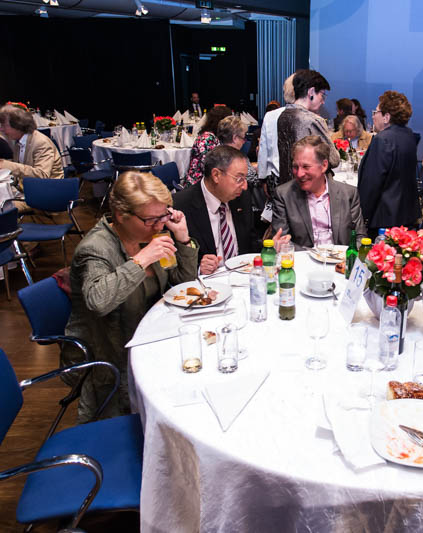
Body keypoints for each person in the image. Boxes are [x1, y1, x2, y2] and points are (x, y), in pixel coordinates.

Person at [63, 171, 199, 422]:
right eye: (151, 219)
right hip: (113, 357)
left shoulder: (150, 234)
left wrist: (183, 239)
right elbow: (98, 302)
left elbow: (183, 285)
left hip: (151, 339)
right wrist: (142, 259)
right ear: (120, 215)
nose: (159, 226)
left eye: (163, 216)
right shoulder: (95, 249)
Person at [173, 145, 271, 274]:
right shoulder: (181, 206)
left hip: (241, 276)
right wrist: (198, 268)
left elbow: (249, 242)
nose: (245, 186)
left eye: (245, 178)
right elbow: (173, 267)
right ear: (216, 175)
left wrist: (268, 247)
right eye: (239, 179)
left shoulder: (241, 197)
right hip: (206, 281)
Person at [272, 135, 366, 248]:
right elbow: (283, 241)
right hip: (303, 258)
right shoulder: (284, 195)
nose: (299, 174)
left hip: (341, 258)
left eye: (306, 167)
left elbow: (360, 238)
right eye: (295, 167)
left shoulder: (348, 194)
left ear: (324, 166)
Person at [358, 91, 419, 233]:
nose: (373, 116)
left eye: (376, 112)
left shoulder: (383, 139)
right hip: (406, 213)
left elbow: (372, 183)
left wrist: (362, 215)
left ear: (386, 117)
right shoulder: (408, 135)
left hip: (385, 216)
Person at [276, 69, 340, 188]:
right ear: (311, 92)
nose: (323, 101)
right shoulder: (312, 120)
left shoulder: (283, 116)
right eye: (322, 95)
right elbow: (334, 159)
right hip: (310, 186)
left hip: (288, 186)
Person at [0, 104, 62, 181]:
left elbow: (42, 175)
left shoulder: (40, 142)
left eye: (4, 125)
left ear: (18, 125)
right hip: (29, 187)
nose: (1, 129)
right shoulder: (20, 140)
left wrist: (5, 165)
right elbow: (19, 164)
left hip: (48, 189)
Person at [258, 74, 295, 219]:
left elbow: (264, 151)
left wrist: (263, 179)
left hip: (275, 177)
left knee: (279, 218)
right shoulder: (309, 117)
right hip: (298, 178)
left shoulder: (270, 116)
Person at [183, 105, 232, 186]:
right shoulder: (207, 139)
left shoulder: (215, 136)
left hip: (210, 180)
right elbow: (208, 167)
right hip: (199, 184)